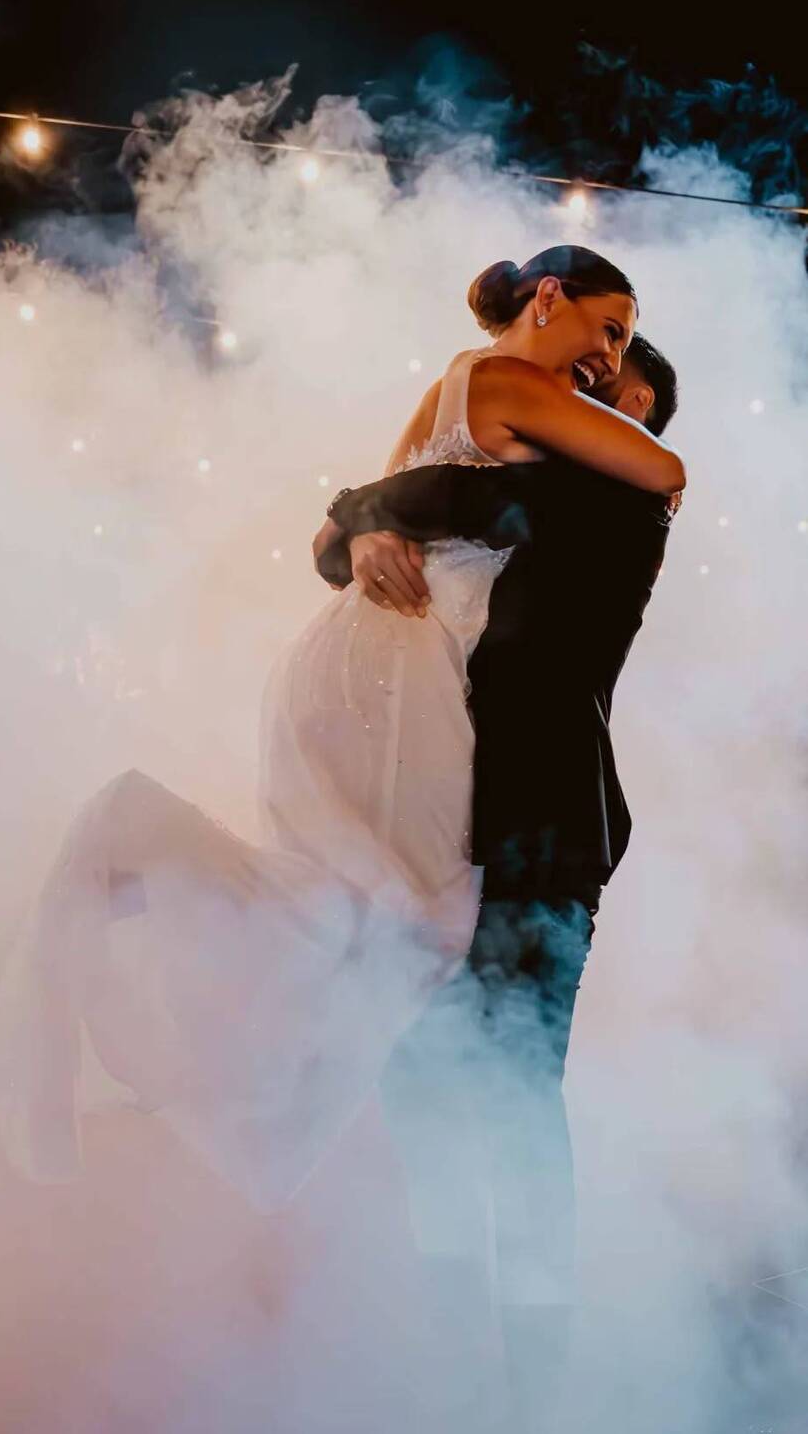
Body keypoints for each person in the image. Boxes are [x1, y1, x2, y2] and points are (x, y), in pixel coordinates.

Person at [0, 246, 683, 1224]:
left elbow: (372, 514)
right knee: (404, 934)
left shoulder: (482, 408)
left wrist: (365, 522)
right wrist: (369, 522)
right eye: (606, 329)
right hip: (404, 673)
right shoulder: (513, 387)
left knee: (360, 924)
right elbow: (650, 468)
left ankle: (144, 900)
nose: (604, 364)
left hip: (362, 662)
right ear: (548, 297)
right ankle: (139, 860)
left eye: (620, 352)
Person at [314, 331, 681, 1427]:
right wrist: (357, 535)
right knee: (421, 1084)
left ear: (635, 421)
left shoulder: (614, 501)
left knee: (512, 1098)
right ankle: (460, 1363)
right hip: (448, 831)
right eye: (578, 382)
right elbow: (355, 541)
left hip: (540, 836)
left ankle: (531, 1390)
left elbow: (427, 492)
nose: (578, 396)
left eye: (608, 390)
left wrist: (360, 517)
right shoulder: (531, 498)